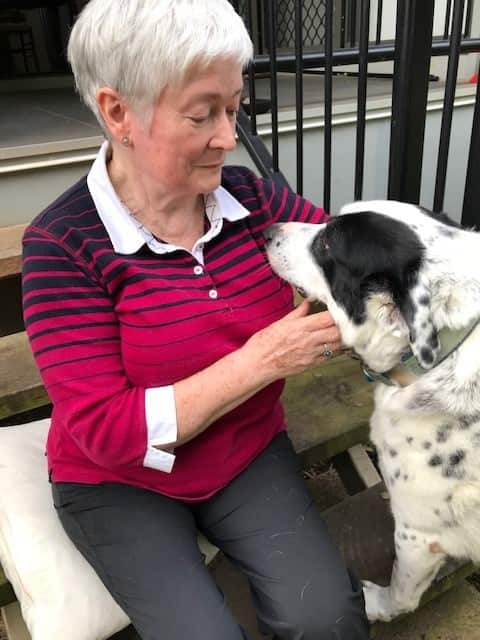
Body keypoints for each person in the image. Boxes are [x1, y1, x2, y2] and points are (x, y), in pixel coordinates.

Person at [22, 1, 369, 638]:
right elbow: (105, 429)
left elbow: (349, 264)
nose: (228, 137)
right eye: (203, 113)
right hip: (119, 482)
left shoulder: (255, 201)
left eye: (234, 108)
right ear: (119, 112)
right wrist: (264, 359)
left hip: (244, 450)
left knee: (327, 619)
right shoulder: (62, 245)